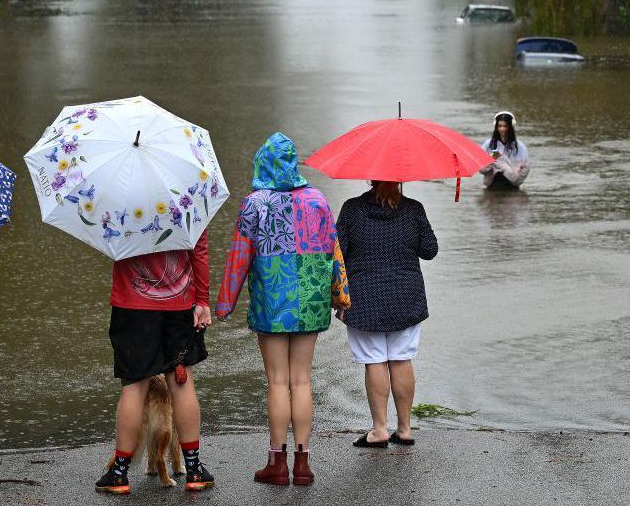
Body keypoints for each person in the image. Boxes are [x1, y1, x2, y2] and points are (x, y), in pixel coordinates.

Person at [215, 133, 351, 486]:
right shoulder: (318, 200)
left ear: (263, 162)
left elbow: (238, 258)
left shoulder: (254, 204)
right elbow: (333, 253)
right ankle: (303, 464)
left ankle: (277, 463)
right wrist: (341, 296)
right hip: (310, 299)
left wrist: (224, 304)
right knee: (302, 379)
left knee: (277, 380)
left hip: (271, 302)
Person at [95, 230, 215, 495]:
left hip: (132, 304)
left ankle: (119, 474)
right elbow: (200, 248)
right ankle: (194, 470)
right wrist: (202, 299)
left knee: (134, 387)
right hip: (179, 302)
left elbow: (107, 242)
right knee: (182, 383)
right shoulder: (189, 192)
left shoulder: (118, 194)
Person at [335, 181, 437, 448]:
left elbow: (337, 253)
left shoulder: (352, 210)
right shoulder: (413, 209)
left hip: (364, 297)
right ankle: (404, 429)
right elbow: (430, 250)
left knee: (374, 361)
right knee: (402, 359)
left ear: (370, 178)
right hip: (406, 297)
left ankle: (379, 430)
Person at [480, 111, 529, 191]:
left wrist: (516, 180)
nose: (502, 129)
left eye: (505, 126)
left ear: (510, 126)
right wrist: (492, 157)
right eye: (499, 126)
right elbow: (481, 168)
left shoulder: (520, 147)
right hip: (492, 186)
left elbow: (525, 168)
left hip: (512, 186)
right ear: (496, 127)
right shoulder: (488, 144)